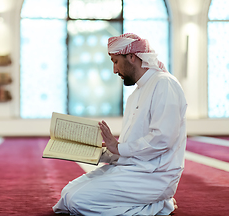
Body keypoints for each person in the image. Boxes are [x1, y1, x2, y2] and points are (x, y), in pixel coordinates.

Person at [53, 33, 187, 215]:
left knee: (77, 201)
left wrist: (118, 148)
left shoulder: (164, 84)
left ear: (132, 57)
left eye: (115, 61)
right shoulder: (136, 94)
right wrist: (103, 153)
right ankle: (154, 204)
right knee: (67, 194)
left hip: (154, 176)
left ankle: (158, 204)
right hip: (133, 170)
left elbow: (162, 140)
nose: (115, 70)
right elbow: (129, 149)